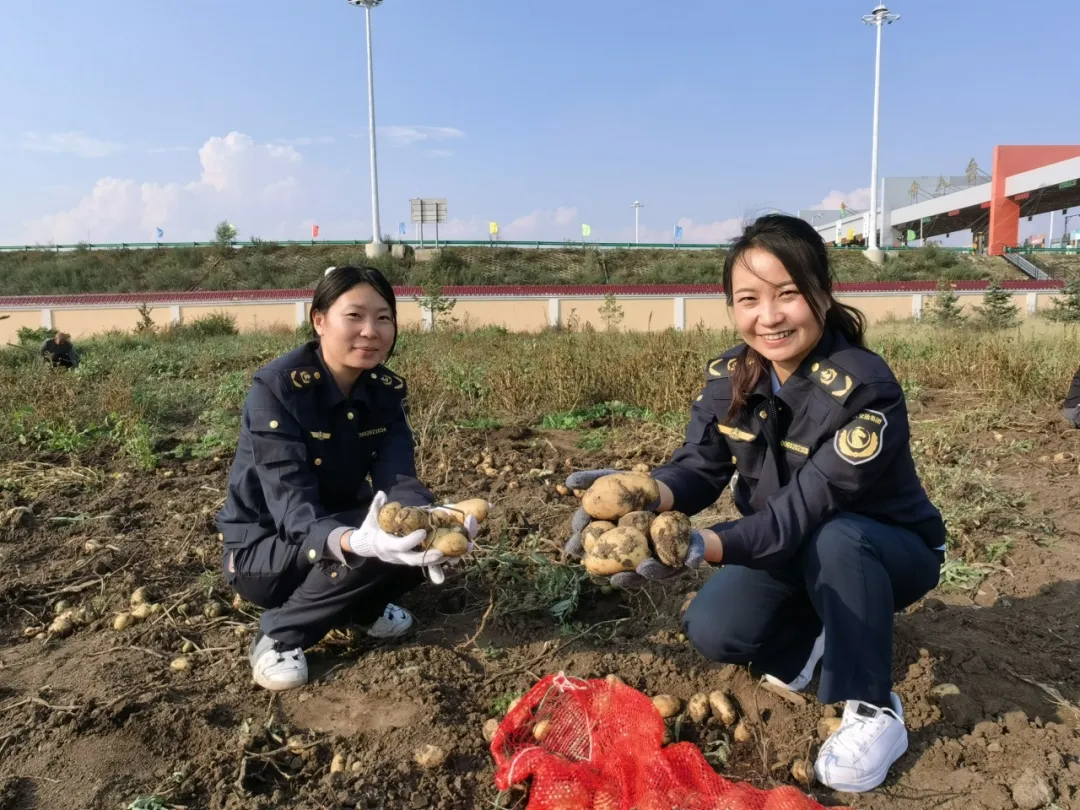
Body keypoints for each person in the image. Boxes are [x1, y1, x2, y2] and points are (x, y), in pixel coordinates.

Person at [564, 215, 946, 794]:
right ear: (731, 307)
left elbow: (804, 512)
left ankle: (874, 707)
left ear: (821, 293)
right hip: (789, 547)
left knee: (837, 537)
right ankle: (819, 636)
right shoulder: (732, 375)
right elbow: (698, 469)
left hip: (888, 553)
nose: (768, 316)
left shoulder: (866, 390)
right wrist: (639, 492)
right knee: (714, 628)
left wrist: (699, 545)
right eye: (749, 300)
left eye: (787, 294)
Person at [216, 265, 476, 692]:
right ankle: (280, 634)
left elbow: (398, 476)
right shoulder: (278, 390)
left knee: (418, 538)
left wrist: (432, 518)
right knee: (369, 543)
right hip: (266, 551)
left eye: (384, 317)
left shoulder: (383, 392)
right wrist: (352, 540)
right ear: (319, 320)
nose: (371, 331)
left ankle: (360, 611)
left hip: (337, 527)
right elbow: (292, 508)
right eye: (354, 316)